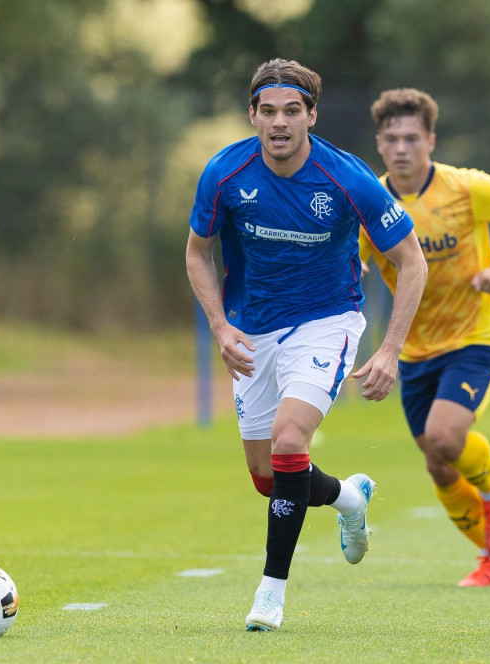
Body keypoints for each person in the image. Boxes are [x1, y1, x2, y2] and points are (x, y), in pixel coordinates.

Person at [186, 60, 428, 631]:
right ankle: (348, 497)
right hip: (252, 331)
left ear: (311, 116)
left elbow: (412, 260)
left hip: (326, 322)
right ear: (252, 115)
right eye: (267, 111)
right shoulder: (225, 173)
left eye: (292, 111)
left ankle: (270, 595)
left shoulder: (347, 178)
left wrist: (390, 348)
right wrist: (221, 327)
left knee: (290, 441)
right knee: (268, 478)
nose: (279, 123)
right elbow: (197, 251)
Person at [359, 88, 490, 587]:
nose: (402, 148)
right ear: (379, 143)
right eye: (393, 138)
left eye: (412, 138)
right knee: (438, 466)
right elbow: (352, 264)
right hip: (414, 347)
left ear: (431, 141)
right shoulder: (368, 202)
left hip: (475, 337)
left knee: (445, 438)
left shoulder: (466, 188)